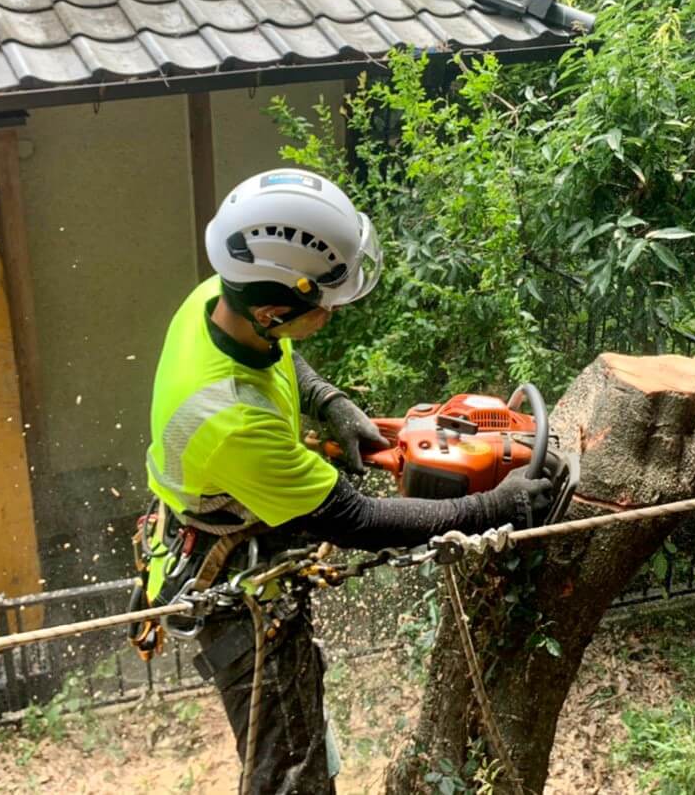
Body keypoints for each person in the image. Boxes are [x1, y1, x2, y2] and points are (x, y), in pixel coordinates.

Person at [142, 168, 554, 793]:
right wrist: (494, 507)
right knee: (290, 768)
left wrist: (328, 400)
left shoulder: (221, 297)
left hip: (237, 521)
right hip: (233, 583)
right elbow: (358, 522)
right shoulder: (227, 419)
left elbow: (283, 354)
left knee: (299, 722)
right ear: (276, 308)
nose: (329, 318)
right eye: (323, 309)